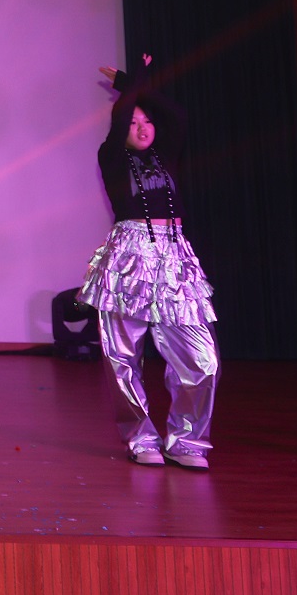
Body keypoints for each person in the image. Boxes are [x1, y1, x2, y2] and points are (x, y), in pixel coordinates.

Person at [79, 54, 219, 469]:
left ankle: (186, 440)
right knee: (123, 357)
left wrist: (133, 82)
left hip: (175, 258)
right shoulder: (111, 157)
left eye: (147, 121)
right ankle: (140, 439)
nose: (142, 128)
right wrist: (131, 87)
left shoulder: (166, 154)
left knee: (203, 360)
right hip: (130, 257)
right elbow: (121, 119)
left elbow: (177, 115)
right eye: (133, 123)